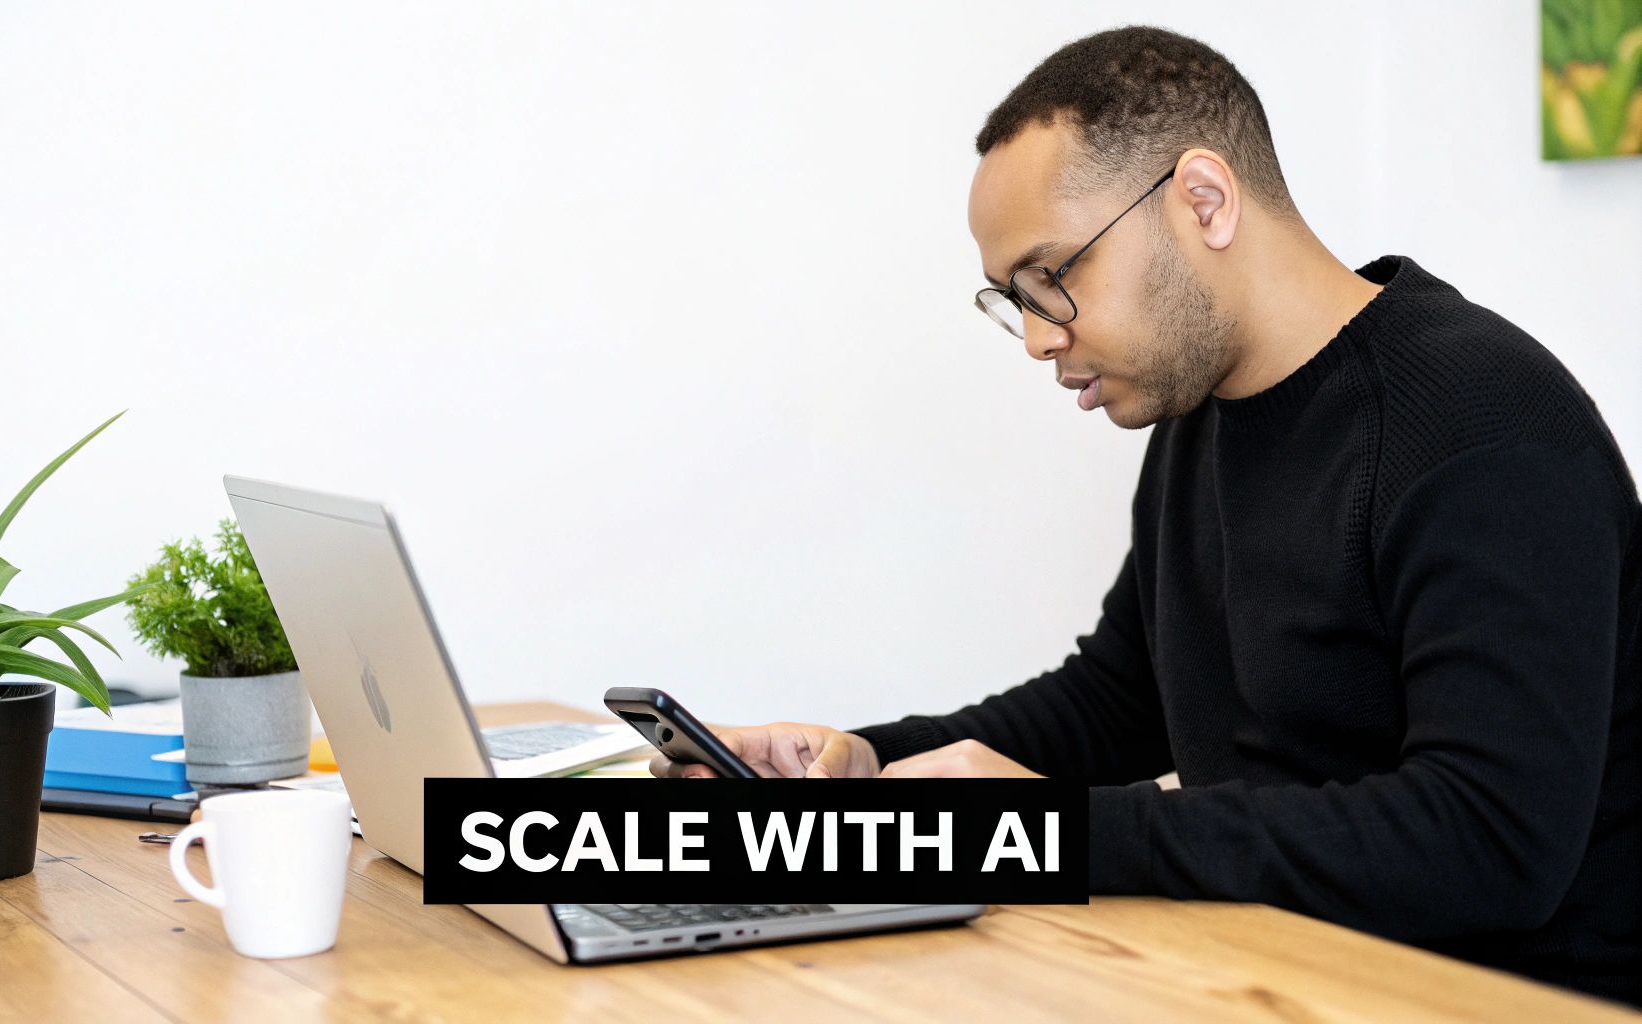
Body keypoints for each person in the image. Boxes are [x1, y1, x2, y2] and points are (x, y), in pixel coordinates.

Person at [649, 26, 1640, 1005]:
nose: (1037, 338)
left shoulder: (1482, 423)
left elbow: (1488, 843)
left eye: (1052, 279)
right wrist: (867, 764)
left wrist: (1051, 834)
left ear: (1200, 200)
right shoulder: (1201, 416)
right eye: (1012, 300)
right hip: (1267, 976)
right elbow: (1119, 701)